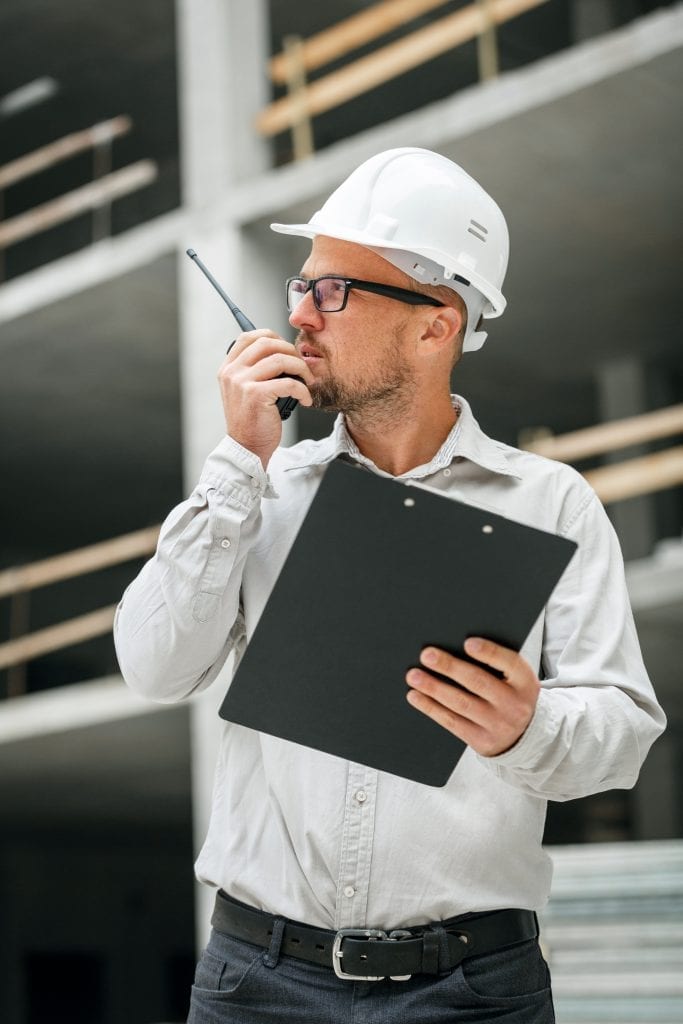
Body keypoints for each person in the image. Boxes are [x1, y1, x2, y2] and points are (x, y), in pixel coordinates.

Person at [114, 148, 665, 1024]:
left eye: (332, 290)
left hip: (472, 992)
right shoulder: (263, 492)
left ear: (434, 324)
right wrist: (237, 462)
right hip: (257, 985)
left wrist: (528, 726)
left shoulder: (548, 502)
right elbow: (152, 666)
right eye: (301, 285)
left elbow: (623, 735)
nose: (298, 312)